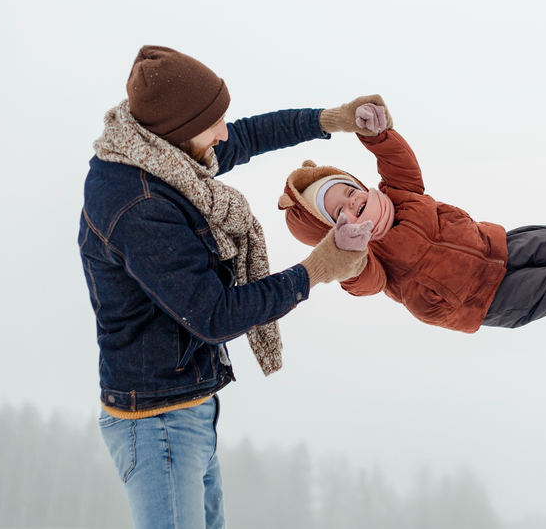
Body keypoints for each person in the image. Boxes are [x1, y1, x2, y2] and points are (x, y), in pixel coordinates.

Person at [78, 45, 379, 529]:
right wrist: (318, 268)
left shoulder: (161, 153)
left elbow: (247, 134)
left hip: (186, 406)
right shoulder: (141, 206)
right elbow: (214, 314)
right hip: (157, 425)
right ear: (176, 131)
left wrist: (334, 118)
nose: (223, 133)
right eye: (211, 124)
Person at [278, 106, 546, 332]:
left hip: (494, 245)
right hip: (480, 299)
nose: (351, 203)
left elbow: (398, 162)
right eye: (338, 211)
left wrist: (377, 136)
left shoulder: (399, 194)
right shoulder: (369, 257)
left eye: (347, 191)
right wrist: (347, 255)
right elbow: (363, 281)